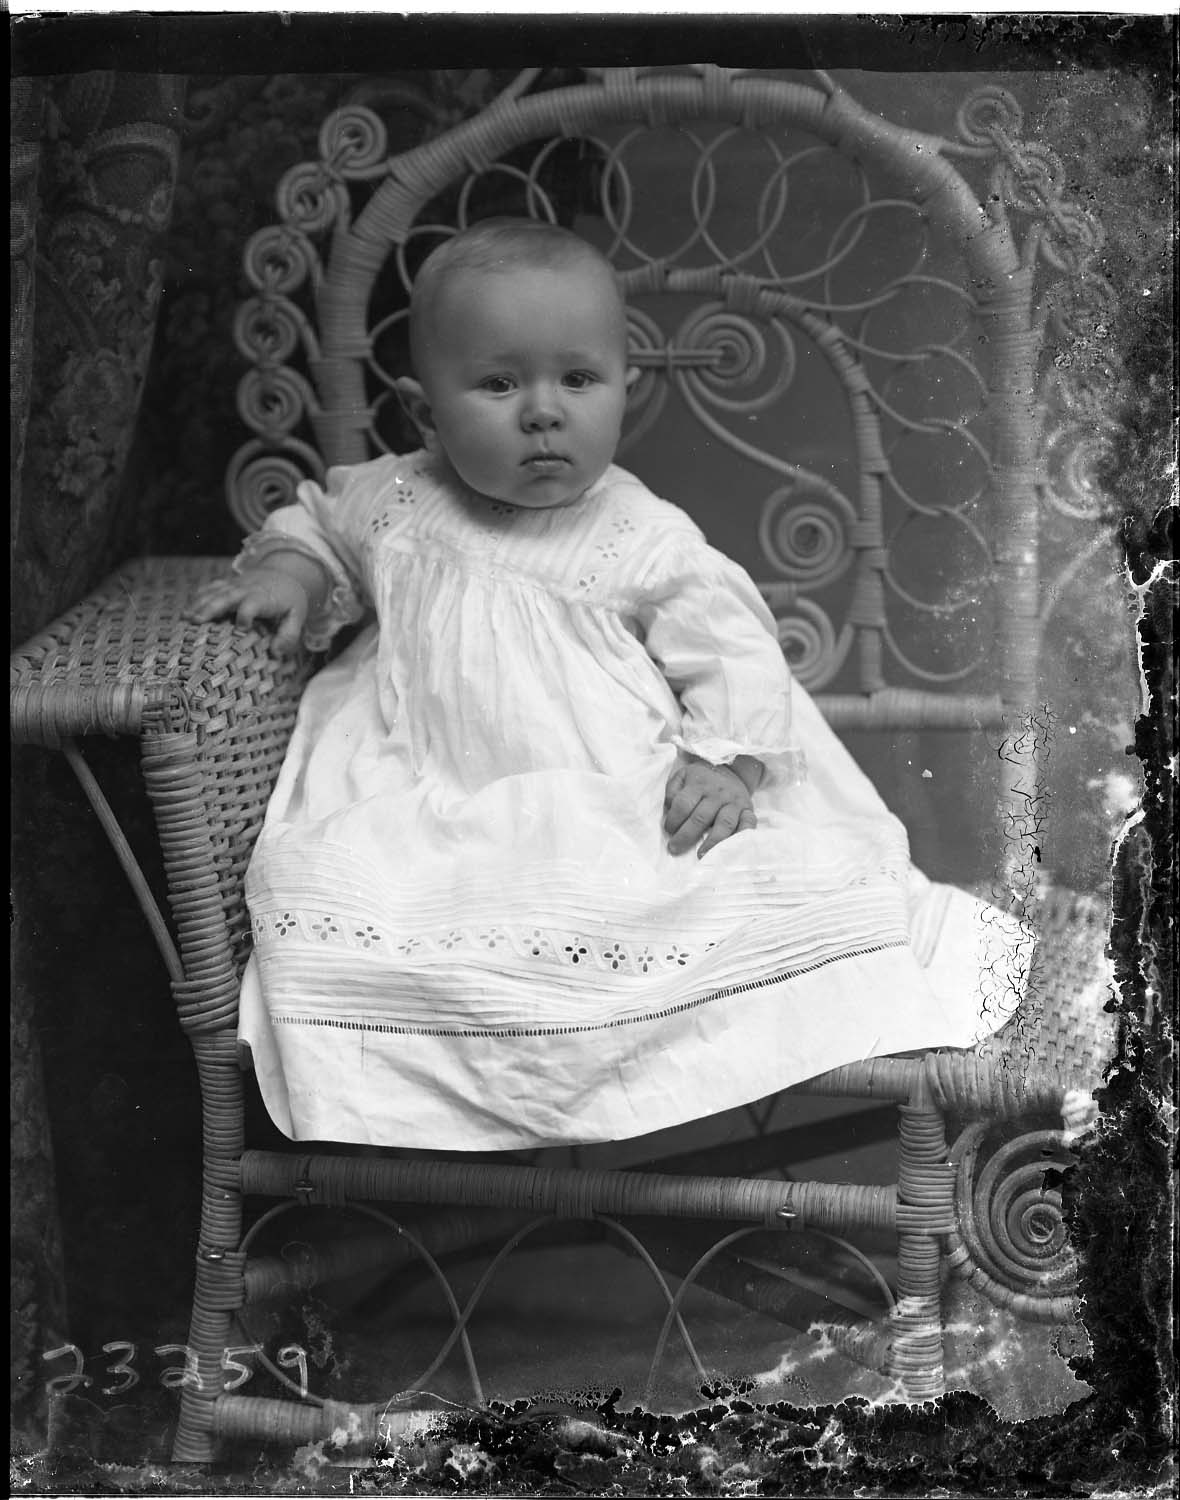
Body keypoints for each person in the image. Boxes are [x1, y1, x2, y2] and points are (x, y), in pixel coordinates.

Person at [189, 218, 1029, 1151]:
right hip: (422, 785)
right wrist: (294, 575)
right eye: (499, 384)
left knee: (661, 891)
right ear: (425, 415)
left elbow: (734, 652)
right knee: (351, 893)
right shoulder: (393, 498)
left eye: (578, 380)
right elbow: (317, 523)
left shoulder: (636, 534)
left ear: (623, 389)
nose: (543, 412)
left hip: (604, 790)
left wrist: (725, 764)